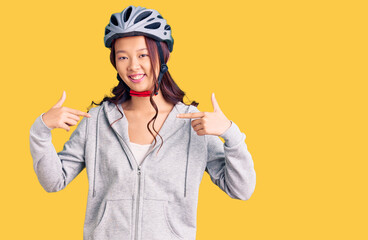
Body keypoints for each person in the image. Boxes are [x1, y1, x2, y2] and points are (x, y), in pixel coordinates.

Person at [29, 5, 256, 240]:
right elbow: (54, 181)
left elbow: (241, 189)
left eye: (143, 55)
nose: (133, 66)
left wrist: (230, 133)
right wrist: (41, 130)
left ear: (163, 56)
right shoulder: (96, 122)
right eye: (123, 57)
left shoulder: (194, 124)